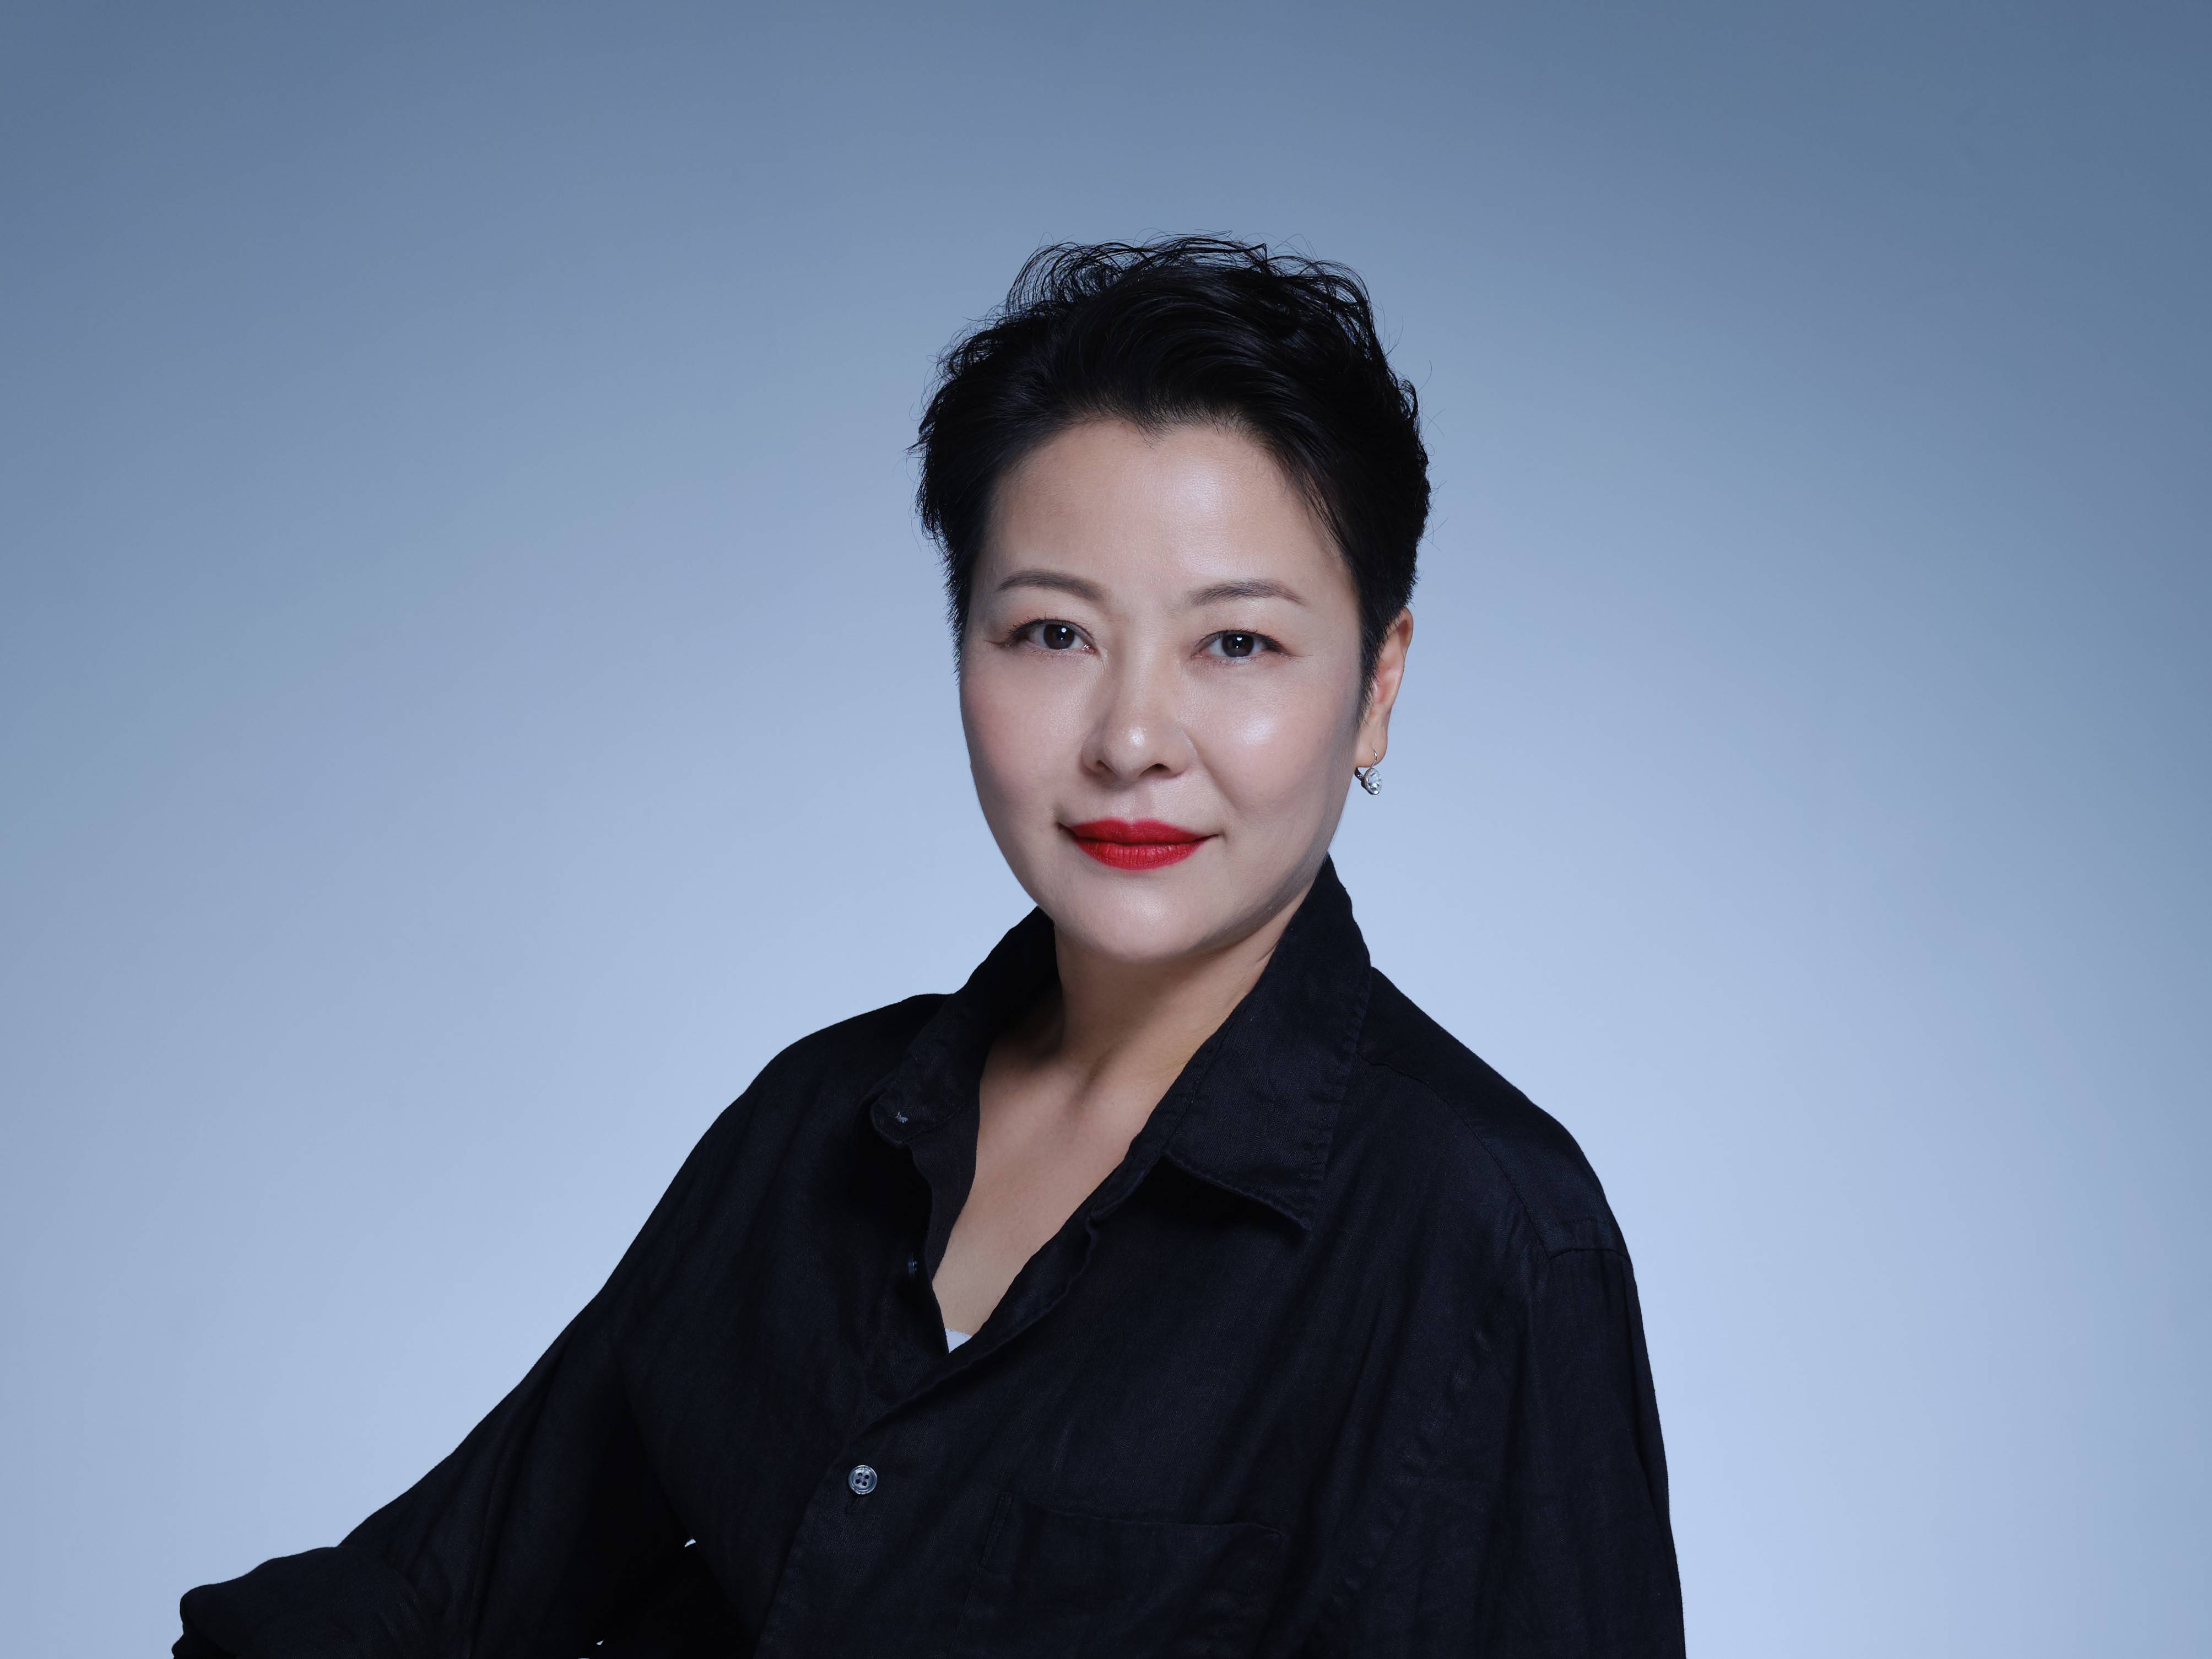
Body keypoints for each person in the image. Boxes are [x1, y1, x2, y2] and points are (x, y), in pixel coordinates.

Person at [176, 239, 1684, 1658]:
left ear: (1376, 686)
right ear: (963, 643)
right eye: (1052, 633)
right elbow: (430, 1592)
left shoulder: (1485, 1234)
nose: (1133, 739)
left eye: (1237, 642)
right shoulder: (817, 1126)